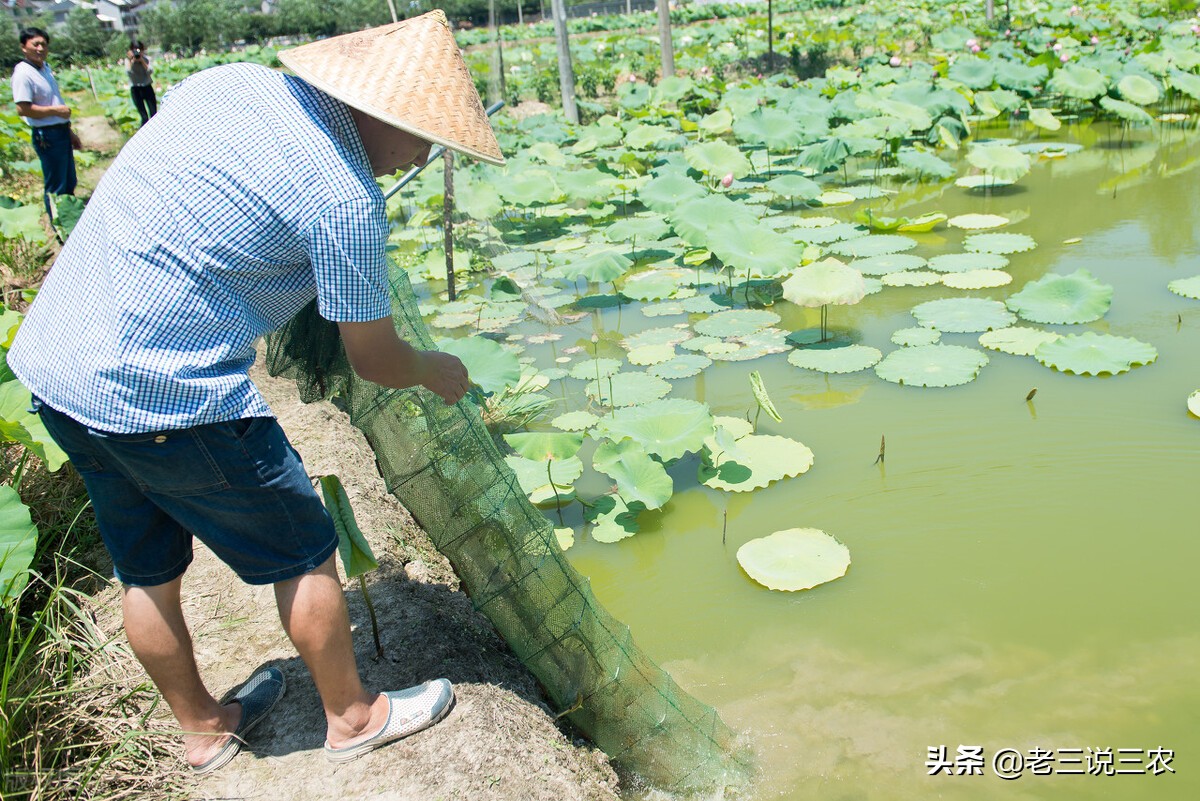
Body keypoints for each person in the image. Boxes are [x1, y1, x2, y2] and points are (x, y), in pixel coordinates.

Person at [8, 11, 505, 773]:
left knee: (146, 570)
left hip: (58, 368)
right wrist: (433, 366)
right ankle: (352, 715)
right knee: (304, 549)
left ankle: (204, 729)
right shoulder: (343, 200)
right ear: (381, 112)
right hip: (167, 390)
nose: (427, 151)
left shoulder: (230, 85)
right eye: (426, 134)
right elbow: (373, 358)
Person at [10, 27, 81, 217]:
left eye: (44, 44)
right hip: (47, 135)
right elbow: (23, 109)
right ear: (23, 47)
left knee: (68, 180)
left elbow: (54, 99)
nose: (40, 48)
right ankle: (60, 225)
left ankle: (69, 217)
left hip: (60, 130)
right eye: (35, 44)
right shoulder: (23, 73)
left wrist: (70, 132)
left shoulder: (44, 68)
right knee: (56, 184)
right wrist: (56, 111)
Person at [124, 40, 157, 126]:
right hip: (136, 89)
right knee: (144, 117)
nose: (137, 52)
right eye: (134, 50)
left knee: (154, 114)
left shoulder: (147, 59)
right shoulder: (128, 61)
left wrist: (142, 61)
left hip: (147, 87)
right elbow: (128, 73)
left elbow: (150, 71)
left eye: (139, 50)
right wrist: (132, 61)